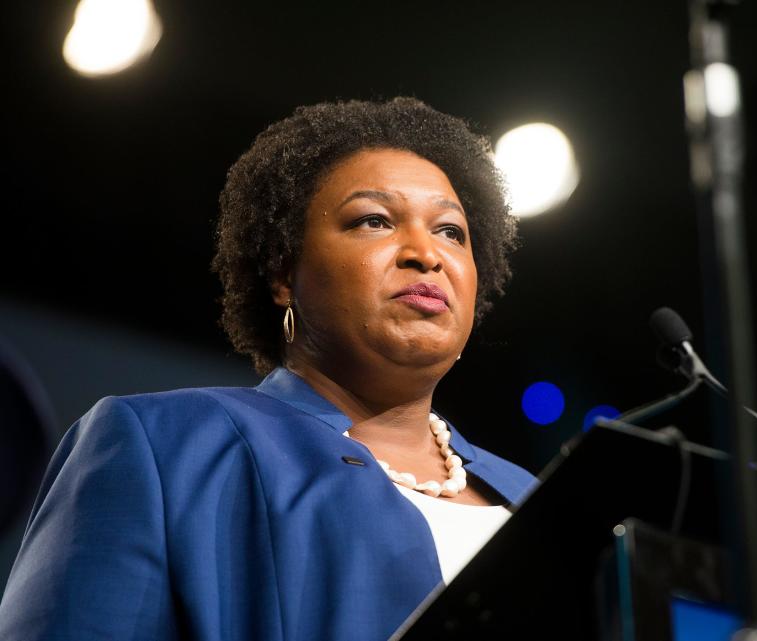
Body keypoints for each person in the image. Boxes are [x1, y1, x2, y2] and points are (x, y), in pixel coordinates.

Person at [0, 97, 537, 641]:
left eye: (451, 232)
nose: (426, 253)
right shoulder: (164, 446)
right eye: (373, 220)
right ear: (284, 274)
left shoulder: (540, 494)